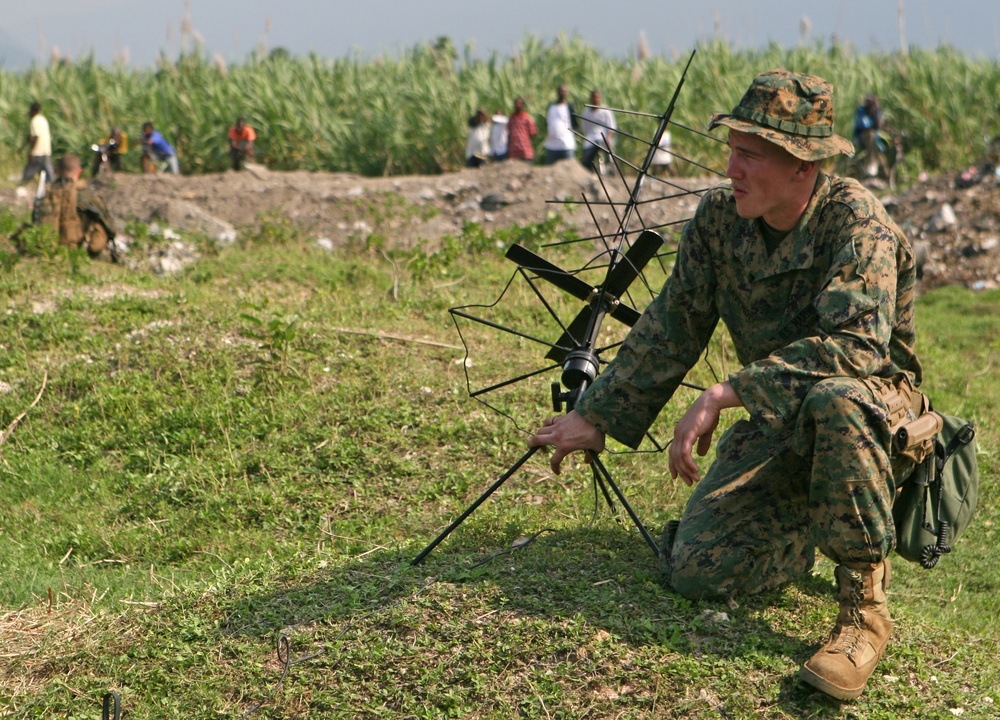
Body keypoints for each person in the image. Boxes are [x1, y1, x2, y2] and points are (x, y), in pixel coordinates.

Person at [529, 70, 923, 702]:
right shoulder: (719, 219)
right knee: (698, 572)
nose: (731, 168)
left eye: (750, 154)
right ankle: (798, 524)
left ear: (802, 167)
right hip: (778, 417)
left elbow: (855, 351)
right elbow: (673, 321)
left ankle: (862, 613)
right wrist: (598, 415)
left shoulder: (858, 224)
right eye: (731, 150)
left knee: (836, 399)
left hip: (871, 410)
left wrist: (723, 393)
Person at [35, 153, 117, 261]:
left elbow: (35, 219)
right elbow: (110, 226)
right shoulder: (84, 194)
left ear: (57, 170)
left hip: (47, 250)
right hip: (77, 249)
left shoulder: (46, 193)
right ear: (79, 171)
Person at [580, 89, 617, 174]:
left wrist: (608, 138)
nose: (595, 100)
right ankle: (589, 171)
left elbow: (611, 127)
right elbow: (584, 128)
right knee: (587, 157)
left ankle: (611, 170)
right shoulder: (585, 113)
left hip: (603, 137)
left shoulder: (605, 111)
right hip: (591, 138)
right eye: (594, 97)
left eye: (597, 98)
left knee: (609, 153)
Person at [22, 101, 55, 190]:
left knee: (29, 173)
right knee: (50, 175)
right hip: (46, 151)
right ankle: (52, 189)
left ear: (32, 111)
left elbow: (35, 137)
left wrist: (32, 152)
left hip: (38, 152)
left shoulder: (35, 121)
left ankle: (23, 187)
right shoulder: (43, 119)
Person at [853, 93, 886, 177]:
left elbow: (879, 125)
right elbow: (865, 125)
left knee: (879, 154)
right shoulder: (861, 111)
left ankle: (886, 175)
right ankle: (872, 162)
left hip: (875, 140)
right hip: (862, 137)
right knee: (871, 134)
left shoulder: (876, 112)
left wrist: (877, 111)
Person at [543, 84, 577, 164]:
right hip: (552, 145)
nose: (563, 93)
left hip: (566, 144)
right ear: (557, 92)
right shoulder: (551, 107)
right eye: (561, 91)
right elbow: (547, 122)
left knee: (569, 168)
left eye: (564, 91)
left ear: (567, 93)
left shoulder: (570, 107)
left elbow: (575, 124)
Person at [506, 97, 538, 162]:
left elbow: (533, 133)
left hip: (525, 152)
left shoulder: (527, 118)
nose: (517, 105)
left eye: (519, 104)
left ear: (523, 105)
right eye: (516, 104)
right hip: (513, 152)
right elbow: (508, 133)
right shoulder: (511, 118)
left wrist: (524, 140)